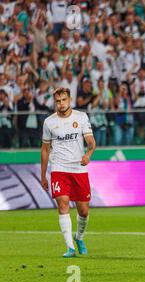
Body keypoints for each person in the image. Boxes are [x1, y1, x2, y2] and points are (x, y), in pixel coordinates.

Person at [40, 87, 96, 257]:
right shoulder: (49, 122)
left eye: (64, 100)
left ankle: (79, 237)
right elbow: (45, 149)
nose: (61, 104)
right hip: (59, 168)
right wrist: (43, 175)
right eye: (58, 101)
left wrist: (88, 154)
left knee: (83, 211)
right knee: (63, 205)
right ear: (54, 102)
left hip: (79, 168)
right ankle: (70, 247)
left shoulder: (81, 117)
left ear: (69, 100)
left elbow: (91, 141)